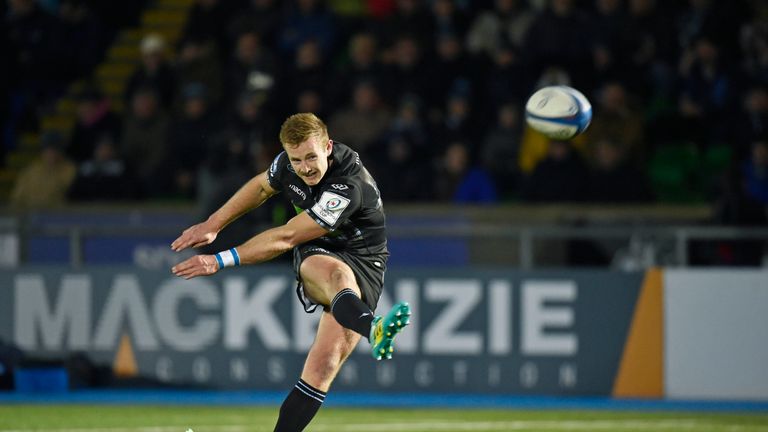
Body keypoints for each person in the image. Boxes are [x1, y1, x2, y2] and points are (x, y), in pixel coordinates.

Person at [170, 113, 411, 432]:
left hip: (366, 260)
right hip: (318, 248)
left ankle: (372, 329)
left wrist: (219, 260)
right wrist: (213, 224)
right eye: (297, 160)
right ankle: (375, 329)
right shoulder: (287, 163)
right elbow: (259, 188)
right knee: (333, 274)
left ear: (327, 147)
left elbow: (285, 237)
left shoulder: (347, 184)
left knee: (321, 369)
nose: (305, 167)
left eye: (311, 156)